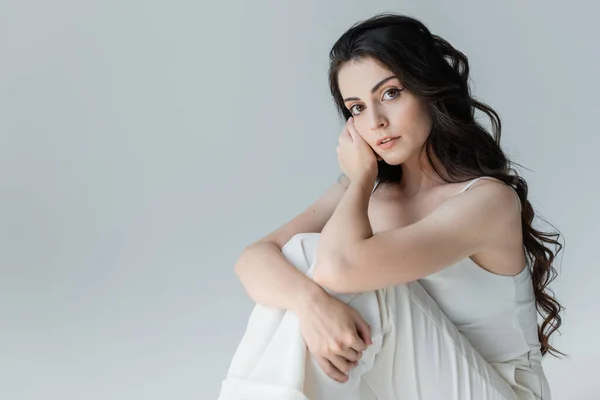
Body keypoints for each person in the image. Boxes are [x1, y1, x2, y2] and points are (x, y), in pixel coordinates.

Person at [220, 12, 564, 400]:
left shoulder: (488, 201)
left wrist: (362, 178)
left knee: (344, 270)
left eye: (390, 93)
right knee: (302, 265)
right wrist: (309, 303)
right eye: (357, 108)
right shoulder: (369, 195)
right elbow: (251, 260)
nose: (376, 121)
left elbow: (338, 267)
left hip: (498, 392)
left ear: (428, 89)